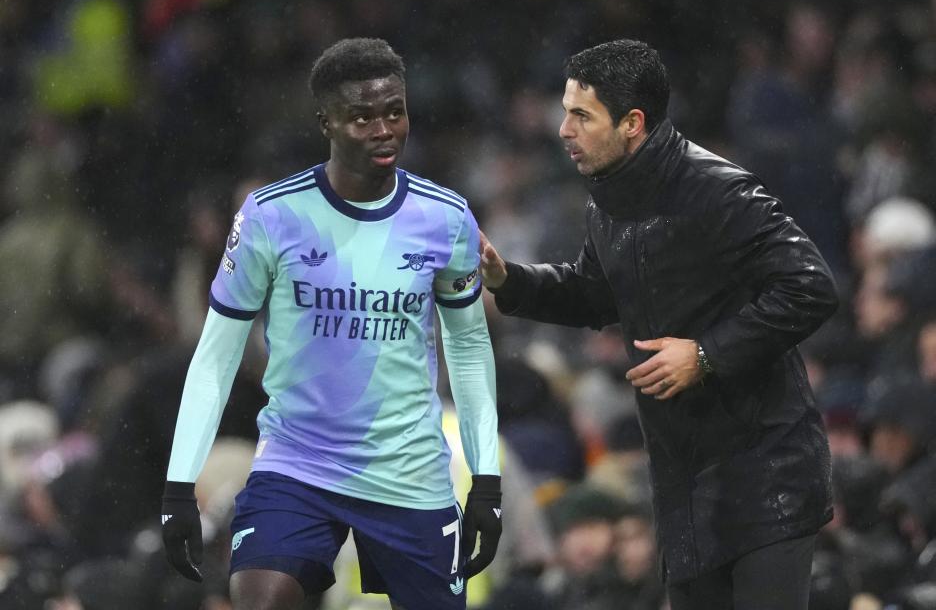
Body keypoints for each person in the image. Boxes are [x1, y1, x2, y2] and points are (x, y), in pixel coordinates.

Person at [479, 39, 839, 610]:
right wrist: (507, 279)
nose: (563, 130)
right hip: (685, 484)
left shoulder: (718, 189)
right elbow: (594, 294)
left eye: (581, 116)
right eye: (564, 112)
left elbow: (812, 286)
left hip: (766, 474)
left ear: (632, 123)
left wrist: (706, 354)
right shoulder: (608, 202)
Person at [160, 38, 502, 610]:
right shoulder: (273, 216)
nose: (383, 129)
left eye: (394, 111)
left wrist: (487, 482)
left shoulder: (446, 219)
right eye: (361, 116)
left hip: (409, 473)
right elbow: (216, 355)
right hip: (298, 464)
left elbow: (467, 347)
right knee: (260, 600)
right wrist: (178, 485)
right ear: (326, 122)